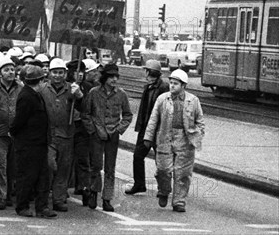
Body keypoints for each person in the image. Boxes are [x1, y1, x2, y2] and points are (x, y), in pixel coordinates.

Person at [144, 69, 204, 213]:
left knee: (183, 173)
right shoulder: (162, 99)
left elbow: (200, 121)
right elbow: (153, 120)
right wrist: (148, 137)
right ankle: (164, 191)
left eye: (175, 84)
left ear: (184, 86)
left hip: (185, 139)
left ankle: (179, 201)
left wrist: (198, 135)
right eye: (171, 83)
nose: (172, 86)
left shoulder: (193, 100)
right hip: (165, 137)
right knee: (163, 170)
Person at [84, 63, 133, 212]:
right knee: (96, 165)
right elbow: (86, 113)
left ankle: (107, 198)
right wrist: (92, 130)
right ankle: (93, 191)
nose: (114, 80)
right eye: (111, 76)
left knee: (110, 168)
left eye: (116, 77)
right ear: (104, 77)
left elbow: (127, 115)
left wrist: (119, 129)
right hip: (97, 134)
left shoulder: (121, 94)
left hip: (113, 135)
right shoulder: (93, 93)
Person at [10, 65, 56, 219]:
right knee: (27, 176)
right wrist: (14, 132)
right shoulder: (27, 96)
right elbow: (19, 120)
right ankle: (22, 206)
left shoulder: (35, 94)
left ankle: (42, 207)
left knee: (43, 176)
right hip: (28, 144)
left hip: (39, 143)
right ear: (38, 81)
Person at [39, 58, 83, 212]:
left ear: (65, 73)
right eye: (55, 72)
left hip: (66, 134)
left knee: (64, 168)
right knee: (49, 166)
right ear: (49, 73)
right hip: (48, 134)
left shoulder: (72, 89)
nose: (58, 75)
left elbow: (84, 108)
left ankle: (58, 199)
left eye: (61, 72)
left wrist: (79, 96)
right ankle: (44, 198)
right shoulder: (42, 89)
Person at [125, 60, 169, 195]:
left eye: (146, 70)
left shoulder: (163, 87)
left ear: (149, 72)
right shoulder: (148, 86)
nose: (145, 73)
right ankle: (139, 184)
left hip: (158, 129)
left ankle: (163, 188)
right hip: (146, 128)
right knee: (138, 156)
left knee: (160, 160)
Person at [0, 55, 22, 210]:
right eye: (6, 70)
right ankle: (0, 196)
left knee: (12, 166)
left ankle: (8, 194)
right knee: (0, 165)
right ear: (0, 72)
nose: (10, 72)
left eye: (12, 69)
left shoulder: (20, 87)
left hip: (15, 132)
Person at [73, 59, 99, 204]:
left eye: (82, 71)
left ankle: (85, 188)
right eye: (77, 71)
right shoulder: (65, 87)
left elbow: (89, 108)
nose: (80, 75)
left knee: (83, 160)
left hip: (82, 128)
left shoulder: (88, 88)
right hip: (66, 128)